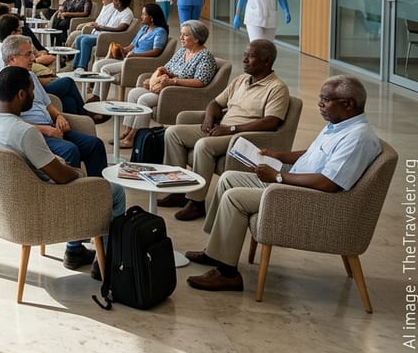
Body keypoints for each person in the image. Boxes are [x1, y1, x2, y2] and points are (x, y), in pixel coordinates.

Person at [185, 76, 381, 293]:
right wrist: (278, 155)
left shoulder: (357, 138)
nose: (320, 104)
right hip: (295, 184)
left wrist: (278, 177)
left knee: (235, 198)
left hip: (306, 197)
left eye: (325, 100)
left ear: (348, 104)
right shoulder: (339, 125)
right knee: (228, 178)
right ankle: (216, 251)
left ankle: (227, 274)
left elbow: (328, 183)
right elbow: (313, 154)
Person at [0, 66, 125, 278]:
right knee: (115, 192)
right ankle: (110, 262)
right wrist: (79, 175)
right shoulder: (25, 132)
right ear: (21, 94)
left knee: (84, 157)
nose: (34, 94)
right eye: (31, 90)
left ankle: (78, 248)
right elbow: (62, 177)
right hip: (40, 203)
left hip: (6, 202)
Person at [159, 39, 291, 222]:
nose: (244, 60)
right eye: (244, 55)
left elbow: (271, 122)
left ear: (267, 61)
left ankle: (196, 202)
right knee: (173, 133)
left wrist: (231, 129)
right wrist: (209, 118)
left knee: (203, 145)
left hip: (243, 137)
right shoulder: (241, 80)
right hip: (221, 128)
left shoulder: (277, 88)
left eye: (250, 57)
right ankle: (177, 191)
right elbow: (215, 103)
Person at [0, 36, 109, 181]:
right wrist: (46, 130)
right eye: (28, 54)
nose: (33, 58)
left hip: (51, 127)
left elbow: (47, 104)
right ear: (12, 58)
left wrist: (59, 116)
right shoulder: (0, 84)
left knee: (95, 145)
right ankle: (73, 195)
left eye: (32, 53)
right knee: (69, 150)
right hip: (32, 134)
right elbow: (6, 121)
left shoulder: (30, 76)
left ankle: (98, 191)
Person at [118, 19, 220, 147]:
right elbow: (168, 67)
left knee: (144, 100)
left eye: (185, 35)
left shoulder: (205, 57)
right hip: (166, 86)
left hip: (177, 92)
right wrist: (157, 77)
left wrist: (173, 81)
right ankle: (128, 131)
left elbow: (200, 82)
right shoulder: (183, 51)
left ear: (197, 39)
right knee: (133, 94)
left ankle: (135, 137)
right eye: (181, 34)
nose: (181, 37)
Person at [91, 3, 169, 101]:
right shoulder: (144, 28)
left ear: (152, 18)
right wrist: (122, 49)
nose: (141, 17)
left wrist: (136, 55)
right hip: (129, 58)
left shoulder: (160, 32)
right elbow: (132, 45)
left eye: (144, 14)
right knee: (99, 64)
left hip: (137, 61)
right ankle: (96, 95)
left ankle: (100, 99)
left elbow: (156, 51)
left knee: (105, 69)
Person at [72, 0, 134, 70]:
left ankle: (82, 66)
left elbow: (121, 28)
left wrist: (102, 27)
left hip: (109, 37)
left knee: (85, 40)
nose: (113, 2)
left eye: (114, 0)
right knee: (79, 38)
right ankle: (75, 65)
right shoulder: (116, 10)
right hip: (103, 33)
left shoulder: (127, 13)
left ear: (119, 3)